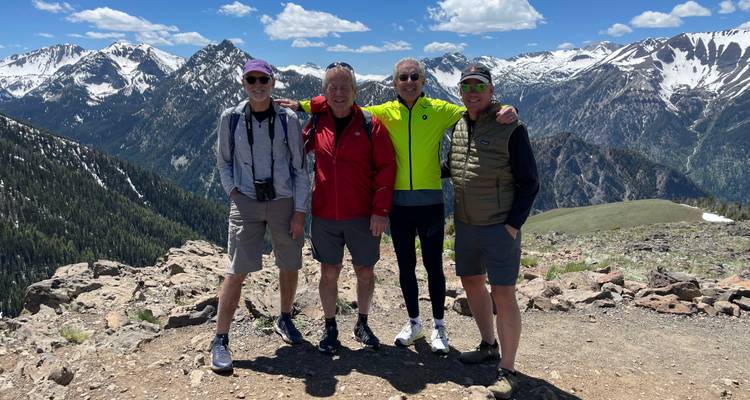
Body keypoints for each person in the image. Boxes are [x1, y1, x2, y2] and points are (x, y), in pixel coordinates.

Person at [279, 58, 517, 354]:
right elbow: (336, 101)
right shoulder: (377, 113)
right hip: (393, 204)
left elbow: (475, 107)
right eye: (403, 77)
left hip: (427, 201)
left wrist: (507, 108)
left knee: (432, 267)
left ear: (423, 81)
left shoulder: (438, 110)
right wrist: (304, 105)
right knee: (404, 267)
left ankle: (438, 325)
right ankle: (414, 321)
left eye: (414, 76)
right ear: (394, 83)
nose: (409, 81)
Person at [211, 59, 310, 372]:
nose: (257, 85)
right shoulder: (231, 118)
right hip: (246, 201)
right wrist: (232, 192)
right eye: (251, 80)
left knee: (290, 262)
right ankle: (220, 339)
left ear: (273, 83)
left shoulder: (288, 120)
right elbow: (223, 161)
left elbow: (299, 167)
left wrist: (299, 211)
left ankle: (285, 317)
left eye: (262, 80)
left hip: (282, 200)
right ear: (243, 83)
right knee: (236, 269)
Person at [449, 64, 539, 399]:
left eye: (479, 86)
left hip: (500, 226)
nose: (472, 92)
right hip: (466, 222)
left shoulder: (511, 126)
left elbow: (530, 182)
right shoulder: (458, 124)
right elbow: (455, 165)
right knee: (472, 283)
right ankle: (488, 344)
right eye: (466, 87)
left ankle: (508, 368)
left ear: (491, 90)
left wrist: (513, 225)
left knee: (504, 293)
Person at [304, 62, 396, 354]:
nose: (339, 93)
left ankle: (362, 323)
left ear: (355, 91)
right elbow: (293, 150)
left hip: (362, 215)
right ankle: (330, 327)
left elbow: (386, 168)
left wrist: (380, 210)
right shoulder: (317, 122)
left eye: (345, 87)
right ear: (324, 92)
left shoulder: (371, 124)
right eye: (333, 87)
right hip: (324, 214)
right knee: (328, 272)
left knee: (365, 271)